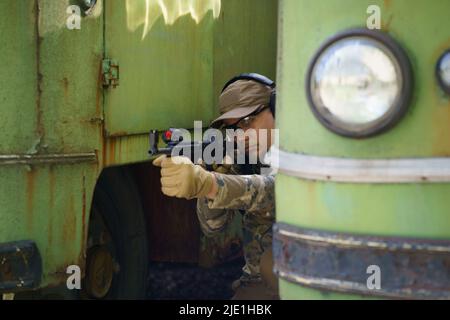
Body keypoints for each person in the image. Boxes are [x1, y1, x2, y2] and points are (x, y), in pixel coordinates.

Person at [153, 73, 278, 299]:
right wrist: (213, 174)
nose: (242, 134)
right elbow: (212, 227)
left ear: (275, 109)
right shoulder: (243, 158)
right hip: (257, 281)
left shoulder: (300, 149)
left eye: (248, 121)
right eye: (233, 128)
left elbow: (274, 192)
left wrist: (210, 184)